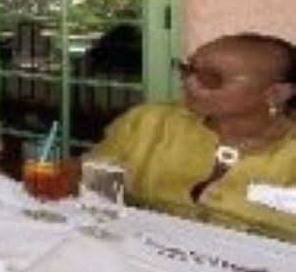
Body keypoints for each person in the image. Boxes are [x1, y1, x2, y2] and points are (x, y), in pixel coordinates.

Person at [89, 32, 296, 241]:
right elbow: (93, 184)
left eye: (211, 78)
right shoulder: (148, 122)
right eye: (187, 70)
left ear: (276, 93)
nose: (190, 83)